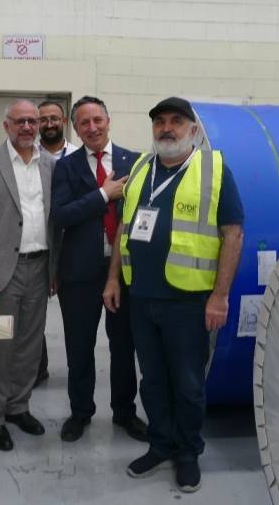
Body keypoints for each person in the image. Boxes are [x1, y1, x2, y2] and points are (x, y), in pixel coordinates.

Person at [104, 97, 244, 493]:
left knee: (187, 383)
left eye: (176, 122)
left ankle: (187, 452)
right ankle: (160, 443)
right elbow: (125, 228)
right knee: (152, 379)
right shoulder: (140, 169)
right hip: (141, 296)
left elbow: (233, 234)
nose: (167, 128)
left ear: (193, 130)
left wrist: (220, 297)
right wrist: (113, 279)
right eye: (160, 122)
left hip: (189, 301)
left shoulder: (213, 170)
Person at [50, 95, 147, 443]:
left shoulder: (134, 162)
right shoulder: (66, 167)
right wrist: (104, 195)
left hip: (123, 272)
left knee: (123, 346)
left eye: (97, 120)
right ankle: (80, 412)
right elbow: (62, 215)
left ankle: (125, 412)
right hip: (79, 273)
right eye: (84, 123)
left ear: (109, 121)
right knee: (80, 347)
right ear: (76, 129)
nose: (92, 128)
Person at [0, 99, 57, 451]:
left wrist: (54, 269)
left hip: (40, 268)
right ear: (6, 125)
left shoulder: (50, 164)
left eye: (32, 121)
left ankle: (19, 406)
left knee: (29, 345)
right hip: (2, 272)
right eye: (19, 121)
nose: (27, 127)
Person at [33, 100, 77, 386]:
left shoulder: (77, 156)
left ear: (63, 122)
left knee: (75, 319)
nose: (49, 124)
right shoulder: (28, 156)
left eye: (54, 118)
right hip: (39, 245)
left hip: (72, 246)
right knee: (32, 314)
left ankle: (78, 373)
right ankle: (36, 368)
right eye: (43, 119)